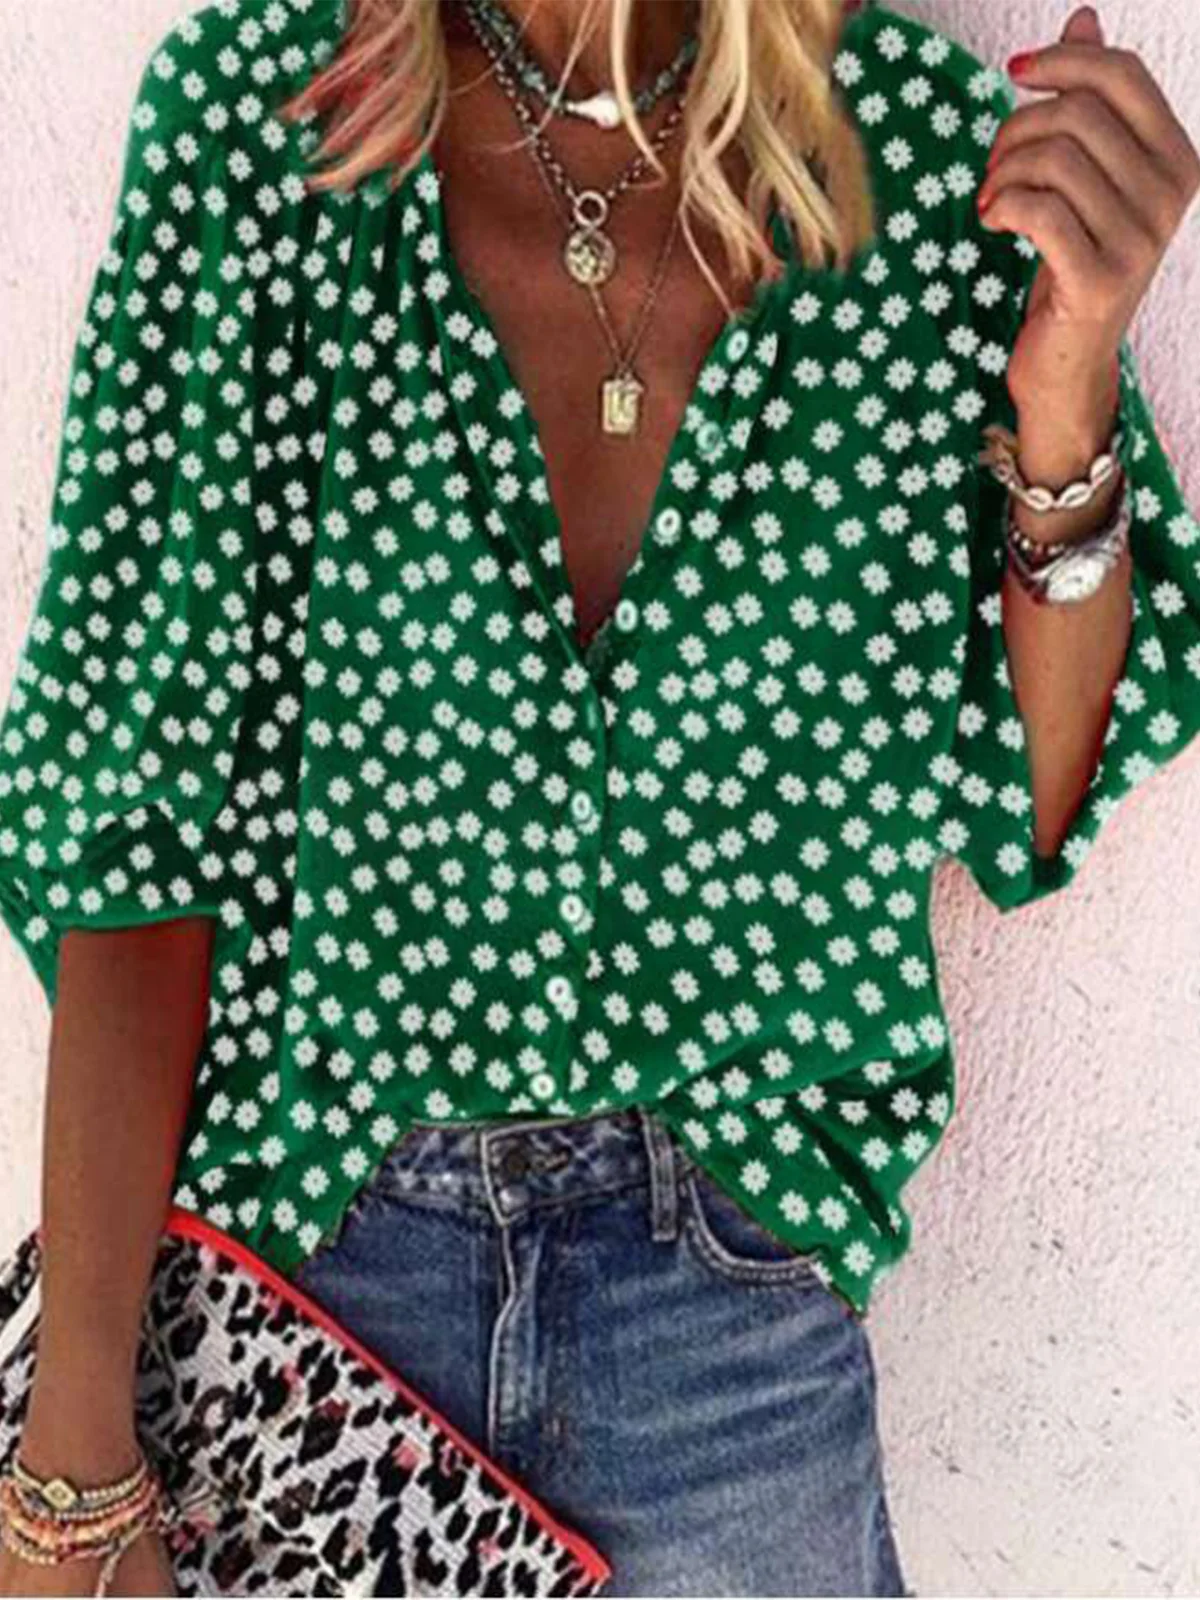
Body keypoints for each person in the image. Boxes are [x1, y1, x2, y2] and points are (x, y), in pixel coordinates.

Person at [0, 0, 1197, 1592]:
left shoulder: (927, 168)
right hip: (317, 1311)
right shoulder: (262, 129)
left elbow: (1034, 799)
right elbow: (132, 834)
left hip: (731, 1334)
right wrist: (71, 1470)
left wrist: (1069, 371)